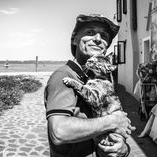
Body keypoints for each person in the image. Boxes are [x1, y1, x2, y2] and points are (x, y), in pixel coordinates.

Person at [44, 14, 136, 157]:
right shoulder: (64, 75)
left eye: (104, 36)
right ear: (75, 39)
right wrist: (113, 120)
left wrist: (123, 149)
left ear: (106, 48)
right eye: (90, 32)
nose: (98, 39)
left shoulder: (95, 76)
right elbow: (59, 132)